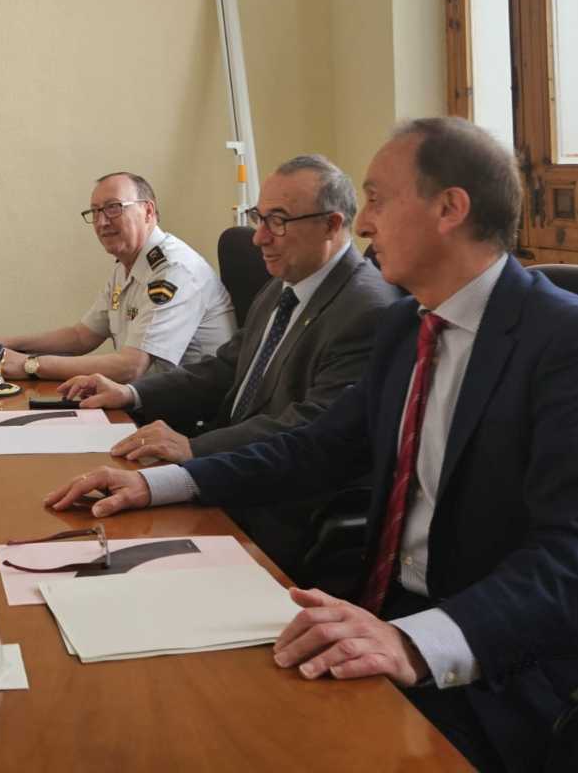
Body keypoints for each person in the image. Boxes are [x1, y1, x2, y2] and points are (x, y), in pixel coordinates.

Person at [44, 118, 578, 770]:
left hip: (494, 664)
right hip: (372, 612)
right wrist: (157, 482)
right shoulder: (407, 326)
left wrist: (411, 644)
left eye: (377, 199)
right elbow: (316, 447)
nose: (363, 225)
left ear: (449, 209)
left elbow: (565, 559)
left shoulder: (559, 343)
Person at [57, 155, 399, 575]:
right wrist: (132, 393)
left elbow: (308, 427)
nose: (258, 239)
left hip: (279, 506)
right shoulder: (281, 288)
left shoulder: (368, 309)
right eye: (259, 217)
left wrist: (194, 450)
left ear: (331, 225)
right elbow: (223, 370)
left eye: (278, 221)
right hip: (225, 470)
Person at [0, 172, 235, 382]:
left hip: (188, 418)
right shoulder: (126, 263)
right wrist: (8, 343)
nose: (102, 222)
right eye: (95, 212)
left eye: (114, 208)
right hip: (146, 401)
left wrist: (29, 365)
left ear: (148, 211)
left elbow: (131, 367)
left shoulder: (174, 270)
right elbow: (82, 336)